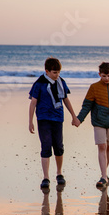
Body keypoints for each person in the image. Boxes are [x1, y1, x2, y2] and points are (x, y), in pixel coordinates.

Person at [29, 57, 80, 189]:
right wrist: (30, 121)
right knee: (46, 146)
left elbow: (66, 100)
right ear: (47, 71)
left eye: (58, 72)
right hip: (43, 119)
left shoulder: (61, 82)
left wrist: (74, 116)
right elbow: (33, 103)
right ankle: (46, 177)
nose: (57, 75)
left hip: (58, 118)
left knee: (58, 146)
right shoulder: (39, 83)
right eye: (54, 73)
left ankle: (59, 173)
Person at [76, 62, 109, 188]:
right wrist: (79, 119)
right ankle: (104, 176)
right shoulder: (94, 87)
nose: (106, 78)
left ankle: (104, 174)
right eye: (104, 76)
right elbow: (86, 106)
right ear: (99, 74)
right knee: (102, 146)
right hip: (98, 121)